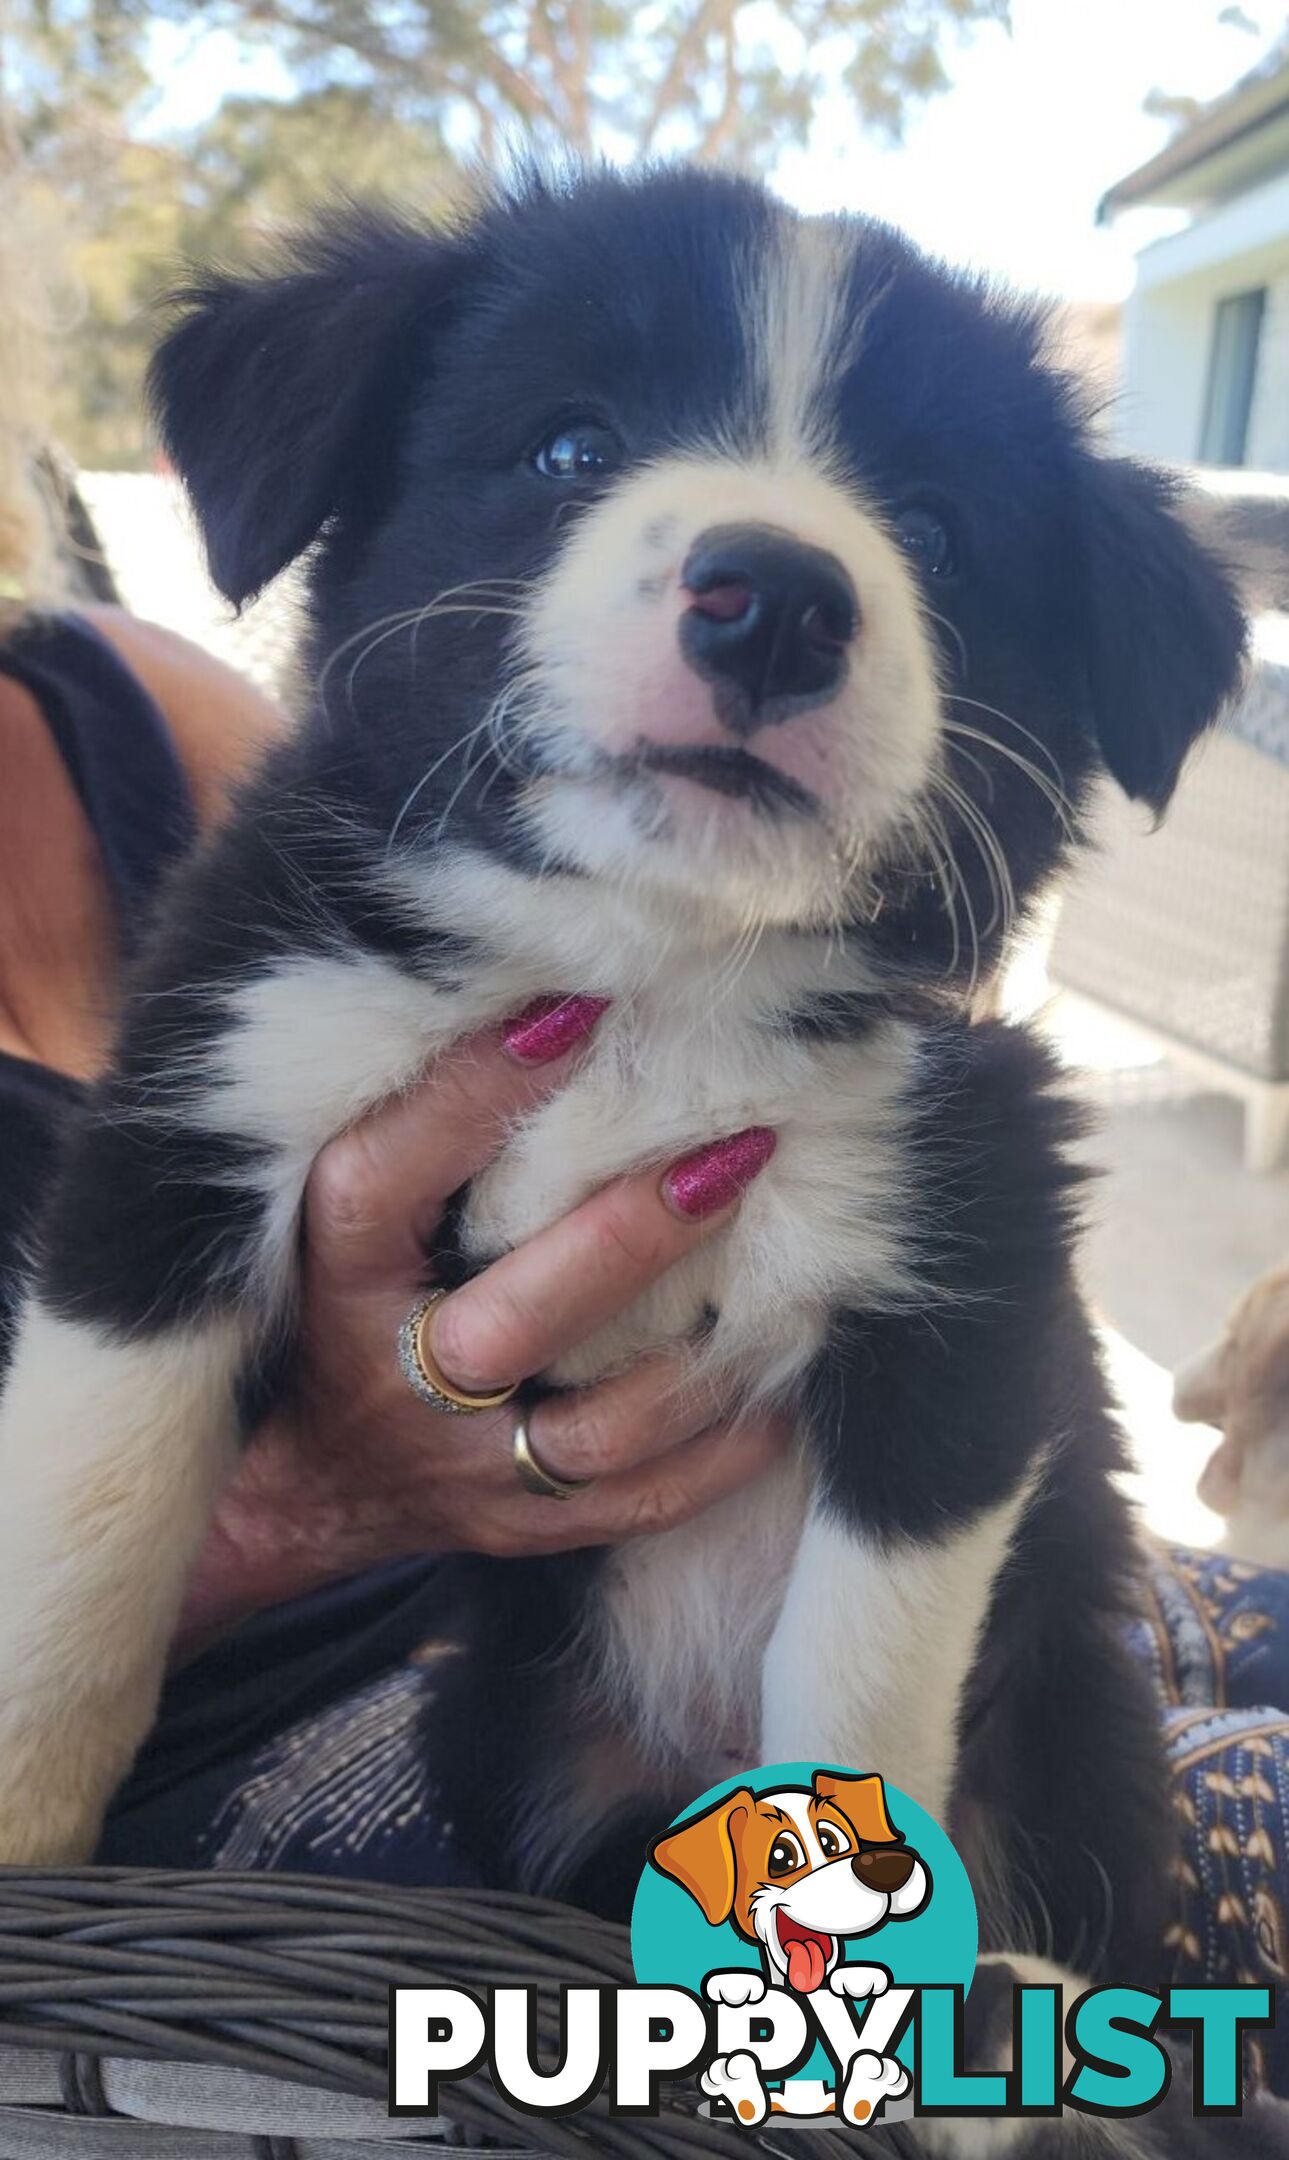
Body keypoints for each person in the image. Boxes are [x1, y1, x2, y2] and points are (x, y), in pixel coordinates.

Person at [0, 205, 788, 1877]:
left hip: (717, 1563)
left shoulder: (113, 694)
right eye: (570, 444)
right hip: (211, 1757)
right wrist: (319, 1497)